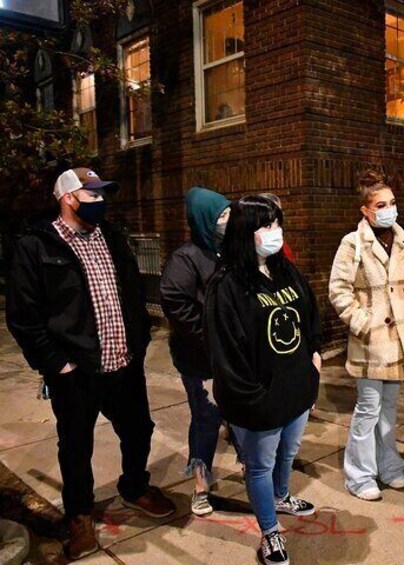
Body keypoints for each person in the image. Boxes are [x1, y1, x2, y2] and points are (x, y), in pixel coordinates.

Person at [5, 168, 175, 561]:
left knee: (138, 430)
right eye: (92, 195)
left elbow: (133, 293)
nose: (101, 202)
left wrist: (140, 339)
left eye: (102, 195)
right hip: (75, 370)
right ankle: (79, 515)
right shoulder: (36, 246)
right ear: (68, 198)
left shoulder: (112, 238)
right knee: (76, 446)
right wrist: (55, 364)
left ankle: (134, 488)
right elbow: (24, 315)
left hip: (124, 363)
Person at [204, 196, 322, 565]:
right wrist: (254, 399)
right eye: (266, 226)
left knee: (288, 453)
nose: (275, 233)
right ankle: (270, 531)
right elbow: (226, 354)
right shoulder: (227, 285)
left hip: (295, 391)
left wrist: (313, 363)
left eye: (277, 224)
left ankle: (282, 496)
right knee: (259, 466)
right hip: (257, 399)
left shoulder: (285, 270)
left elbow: (309, 315)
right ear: (245, 231)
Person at [328, 170, 404, 501]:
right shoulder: (352, 244)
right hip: (371, 344)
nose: (389, 209)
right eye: (381, 204)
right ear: (366, 210)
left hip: (399, 342)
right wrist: (363, 323)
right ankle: (359, 475)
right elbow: (339, 291)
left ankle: (389, 466)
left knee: (389, 410)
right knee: (368, 409)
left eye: (393, 202)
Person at [160, 187, 234, 516]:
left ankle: (252, 467)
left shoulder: (234, 252)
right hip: (200, 359)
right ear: (203, 220)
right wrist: (218, 336)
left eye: (229, 213)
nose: (227, 221)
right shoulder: (185, 259)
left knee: (242, 416)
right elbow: (179, 308)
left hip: (236, 357)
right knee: (206, 419)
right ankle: (201, 482)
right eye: (220, 216)